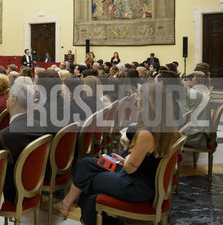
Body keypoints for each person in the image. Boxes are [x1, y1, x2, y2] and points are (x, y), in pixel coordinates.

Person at [53, 82, 178, 225]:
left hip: (137, 185)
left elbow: (130, 168)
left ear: (147, 103)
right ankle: (83, 213)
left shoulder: (146, 134)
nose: (136, 101)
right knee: (87, 165)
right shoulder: (166, 125)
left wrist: (128, 159)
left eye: (139, 98)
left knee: (90, 181)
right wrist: (127, 159)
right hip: (145, 180)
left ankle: (82, 213)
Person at [0, 83, 44, 203]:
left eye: (8, 97)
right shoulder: (40, 125)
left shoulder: (5, 135)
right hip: (33, 183)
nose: (7, 100)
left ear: (14, 99)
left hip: (10, 191)